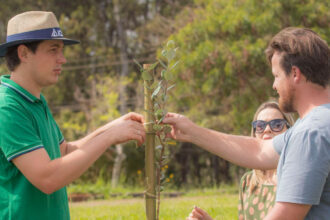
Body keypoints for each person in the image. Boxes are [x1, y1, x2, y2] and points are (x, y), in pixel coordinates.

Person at [164, 27, 330, 219]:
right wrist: (192, 132)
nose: (274, 85)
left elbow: (286, 215)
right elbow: (259, 150)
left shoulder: (310, 133)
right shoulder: (316, 124)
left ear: (295, 73)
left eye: (276, 76)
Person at [0, 11, 146, 220]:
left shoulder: (35, 101)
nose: (63, 59)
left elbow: (64, 152)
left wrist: (112, 127)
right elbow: (48, 178)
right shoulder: (6, 107)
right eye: (53, 50)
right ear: (23, 53)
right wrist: (109, 137)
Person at [186, 101, 295, 220]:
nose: (267, 129)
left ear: (289, 130)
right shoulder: (248, 182)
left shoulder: (295, 178)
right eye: (260, 126)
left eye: (277, 124)